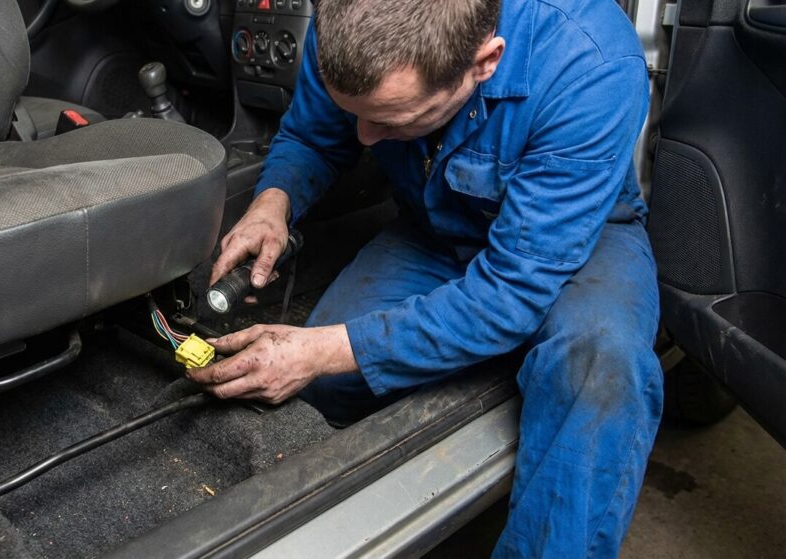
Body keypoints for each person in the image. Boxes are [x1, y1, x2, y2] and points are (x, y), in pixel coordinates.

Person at [187, 0, 662, 555]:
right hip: (438, 226)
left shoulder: (591, 65)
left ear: (484, 62)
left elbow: (509, 294)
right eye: (358, 115)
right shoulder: (350, 22)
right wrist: (275, 201)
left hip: (578, 241)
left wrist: (316, 350)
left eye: (390, 120)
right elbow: (317, 136)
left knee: (599, 363)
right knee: (325, 386)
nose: (365, 138)